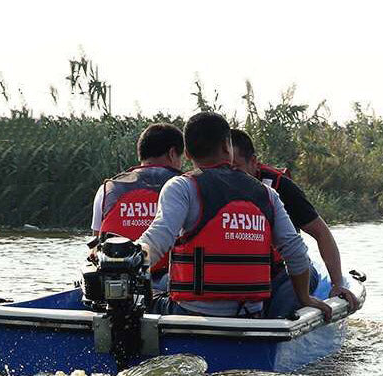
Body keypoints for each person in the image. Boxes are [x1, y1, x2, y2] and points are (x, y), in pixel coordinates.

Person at [137, 112, 332, 320]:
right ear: (226, 147)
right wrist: (304, 298)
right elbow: (296, 252)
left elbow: (157, 241)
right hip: (251, 316)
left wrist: (123, 260)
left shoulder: (181, 186)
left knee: (139, 297)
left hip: (192, 314)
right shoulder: (267, 194)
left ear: (186, 153)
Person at [230, 128, 359, 315]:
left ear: (253, 162)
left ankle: (277, 324)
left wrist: (338, 284)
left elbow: (321, 232)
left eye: (236, 168)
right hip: (236, 278)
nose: (230, 175)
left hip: (283, 273)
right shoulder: (206, 188)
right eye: (224, 168)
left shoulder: (280, 188)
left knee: (285, 301)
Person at [91, 122, 184, 288]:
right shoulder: (186, 187)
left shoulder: (107, 189)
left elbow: (96, 243)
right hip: (167, 284)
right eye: (180, 157)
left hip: (114, 283)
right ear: (172, 153)